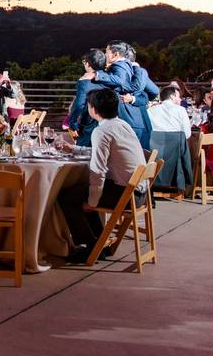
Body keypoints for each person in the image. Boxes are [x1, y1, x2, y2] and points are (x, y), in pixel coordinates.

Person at [58, 89, 147, 263]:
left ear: (93, 109)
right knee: (84, 192)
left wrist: (92, 203)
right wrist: (76, 149)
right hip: (140, 193)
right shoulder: (121, 124)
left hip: (126, 195)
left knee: (67, 196)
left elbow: (98, 170)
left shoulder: (102, 131)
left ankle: (91, 248)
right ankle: (99, 244)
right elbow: (106, 152)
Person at [84, 41, 153, 149]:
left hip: (125, 119)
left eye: (106, 52)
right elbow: (153, 92)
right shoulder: (136, 71)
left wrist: (96, 75)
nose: (105, 55)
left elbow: (120, 81)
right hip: (138, 120)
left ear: (116, 55)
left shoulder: (119, 66)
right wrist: (135, 98)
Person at [68, 49, 106, 147]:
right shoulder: (109, 78)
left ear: (88, 64)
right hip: (108, 125)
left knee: (83, 155)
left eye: (84, 61)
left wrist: (73, 124)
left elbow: (79, 105)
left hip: (89, 125)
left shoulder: (85, 82)